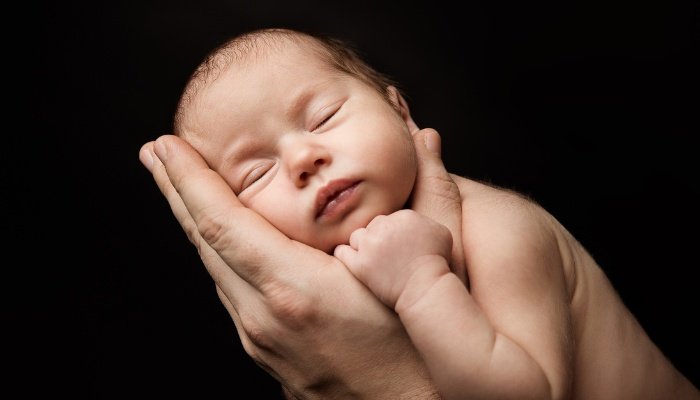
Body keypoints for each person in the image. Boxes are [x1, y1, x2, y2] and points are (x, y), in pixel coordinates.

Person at [139, 28, 699, 399]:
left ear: (397, 107)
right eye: (256, 173)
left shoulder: (501, 230)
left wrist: (422, 284)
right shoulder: (321, 303)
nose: (303, 158)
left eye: (325, 116)